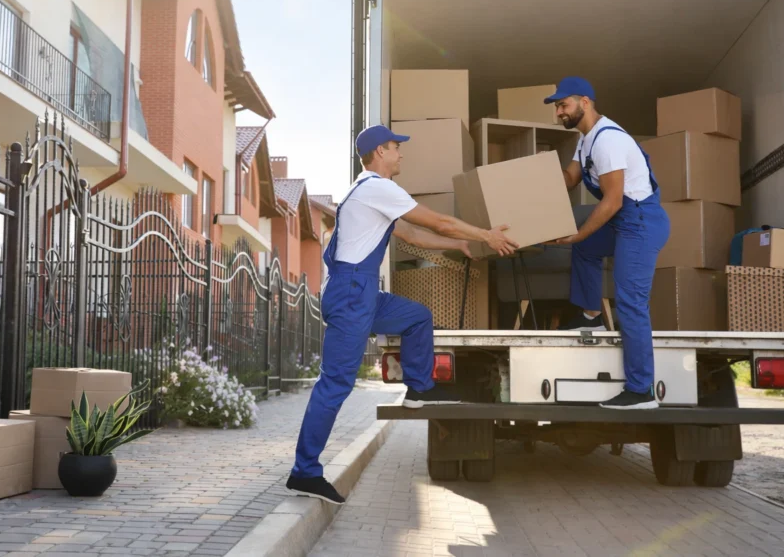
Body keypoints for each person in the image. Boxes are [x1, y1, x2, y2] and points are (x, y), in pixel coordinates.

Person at [286, 125, 519, 504]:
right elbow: (434, 220)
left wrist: (460, 243)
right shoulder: (378, 187)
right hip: (351, 293)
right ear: (379, 152)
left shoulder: (370, 192)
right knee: (335, 384)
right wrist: (485, 235)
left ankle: (418, 388)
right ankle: (304, 472)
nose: (401, 154)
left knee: (416, 316)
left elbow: (413, 235)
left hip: (358, 292)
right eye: (396, 147)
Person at [547, 76, 670, 410]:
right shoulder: (585, 141)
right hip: (624, 218)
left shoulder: (608, 141)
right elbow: (570, 179)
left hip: (640, 222)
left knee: (630, 301)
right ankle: (591, 316)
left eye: (563, 104)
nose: (559, 112)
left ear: (585, 102)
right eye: (558, 107)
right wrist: (534, 178)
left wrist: (580, 231)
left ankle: (641, 389)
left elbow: (613, 200)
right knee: (585, 250)